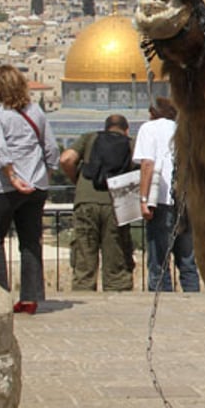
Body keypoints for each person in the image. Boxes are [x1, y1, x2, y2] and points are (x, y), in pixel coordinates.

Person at [0, 64, 60, 314]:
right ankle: (30, 298)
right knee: (29, 241)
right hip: (36, 185)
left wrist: (13, 177)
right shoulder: (35, 111)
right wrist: (43, 176)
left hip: (3, 185)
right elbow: (52, 149)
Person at [59, 114, 136, 291]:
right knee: (117, 258)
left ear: (105, 127)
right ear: (126, 130)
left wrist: (77, 180)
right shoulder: (131, 143)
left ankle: (84, 296)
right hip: (117, 204)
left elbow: (66, 159)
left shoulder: (90, 138)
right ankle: (117, 297)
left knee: (85, 256)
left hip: (86, 202)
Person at [134, 97, 199, 292]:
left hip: (160, 201)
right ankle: (193, 303)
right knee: (187, 262)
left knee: (159, 262)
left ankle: (164, 304)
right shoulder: (187, 130)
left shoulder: (149, 129)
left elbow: (147, 164)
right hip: (187, 201)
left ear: (153, 113)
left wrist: (144, 200)